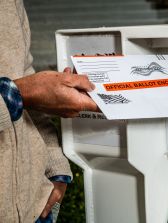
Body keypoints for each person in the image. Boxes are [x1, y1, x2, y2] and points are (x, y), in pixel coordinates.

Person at [0, 0, 98, 222]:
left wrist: (55, 166)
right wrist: (20, 92)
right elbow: (25, 88)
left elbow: (23, 69)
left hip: (36, 207)